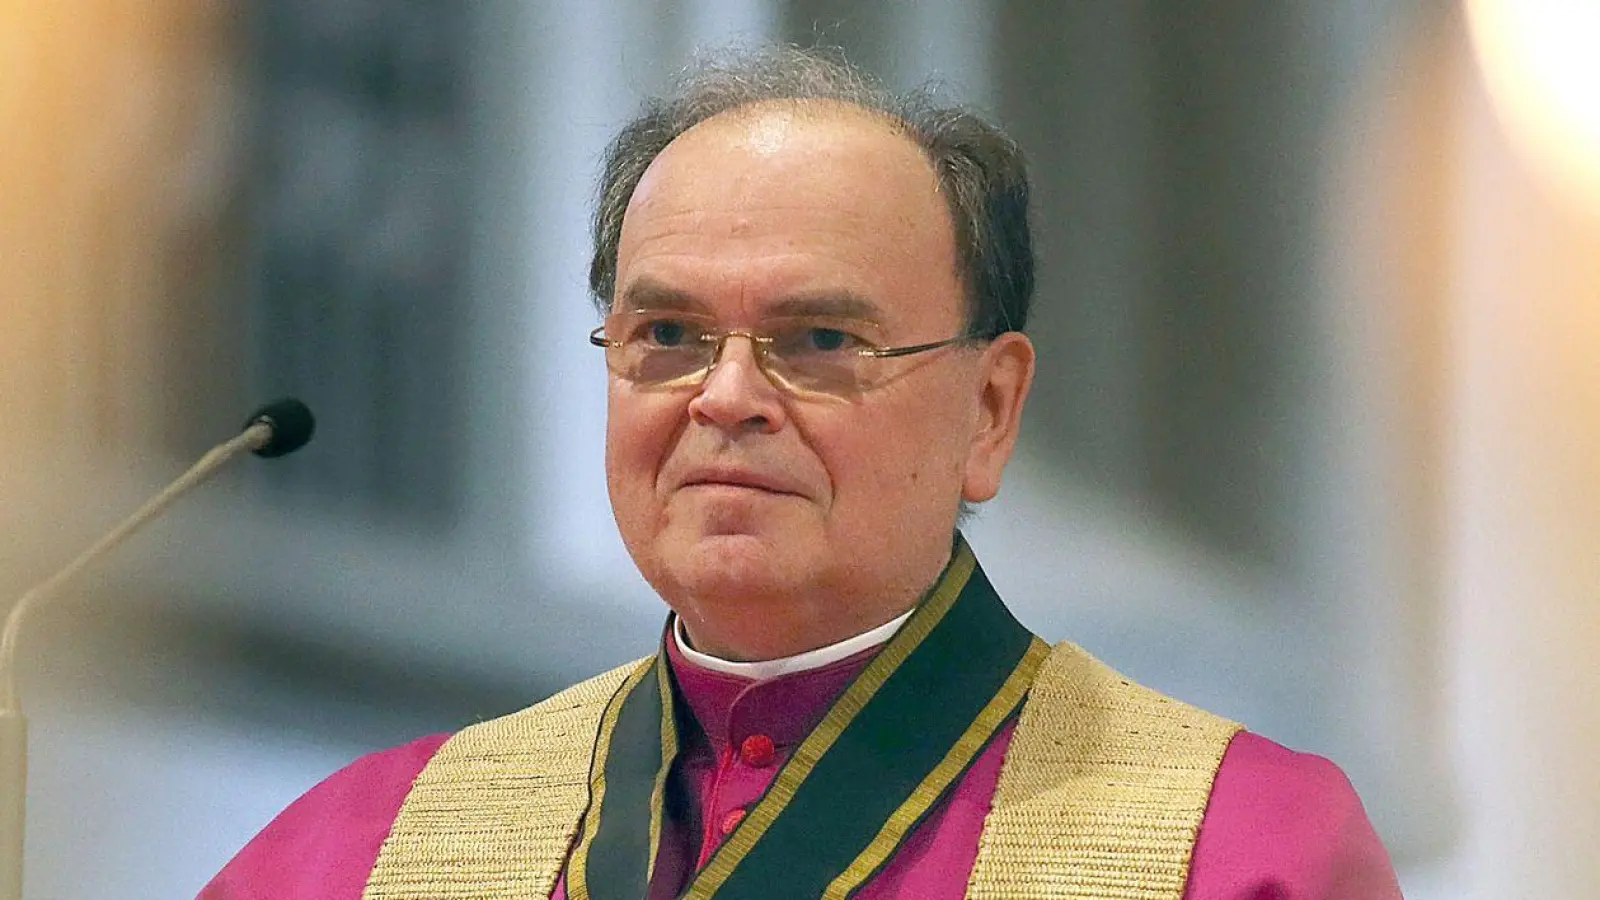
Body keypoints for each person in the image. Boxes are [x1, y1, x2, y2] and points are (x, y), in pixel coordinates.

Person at [199, 45, 1402, 900]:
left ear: (990, 408)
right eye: (666, 336)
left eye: (820, 341)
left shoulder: (1238, 851)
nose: (726, 398)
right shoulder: (357, 856)